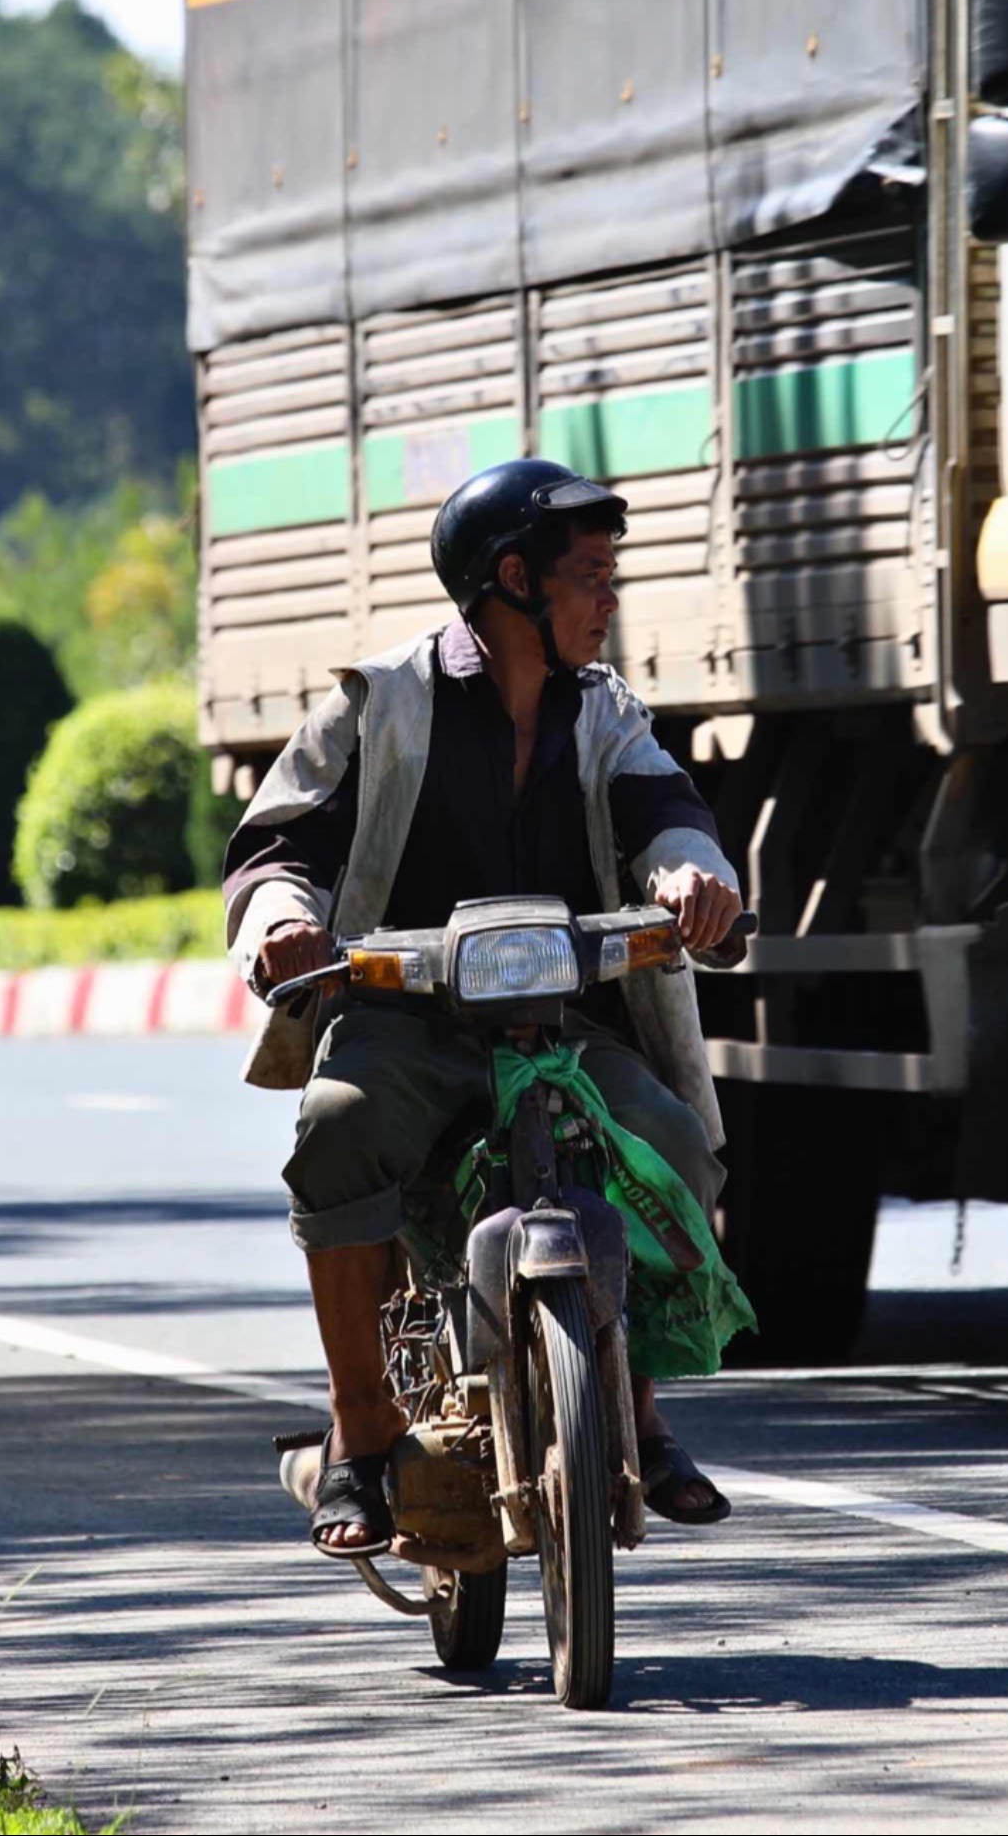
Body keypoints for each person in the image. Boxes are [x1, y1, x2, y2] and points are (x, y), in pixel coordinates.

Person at [225, 458, 749, 1557]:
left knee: (673, 1142)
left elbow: (669, 807)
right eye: (591, 577)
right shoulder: (387, 701)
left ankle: (640, 1412)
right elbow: (284, 842)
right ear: (513, 579)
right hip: (407, 1019)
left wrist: (690, 874)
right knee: (336, 1129)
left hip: (562, 1028)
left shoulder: (604, 711)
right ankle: (361, 1432)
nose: (610, 600)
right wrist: (281, 916)